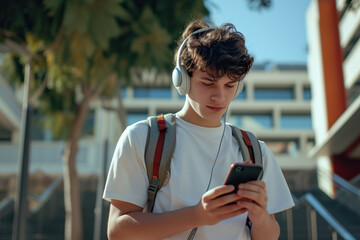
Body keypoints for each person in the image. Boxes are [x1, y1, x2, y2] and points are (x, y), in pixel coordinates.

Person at [103, 19, 294, 240]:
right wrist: (196, 215)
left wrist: (260, 216)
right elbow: (118, 231)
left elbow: (270, 235)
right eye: (208, 83)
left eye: (230, 85)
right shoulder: (142, 137)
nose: (220, 96)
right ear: (182, 79)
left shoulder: (255, 150)